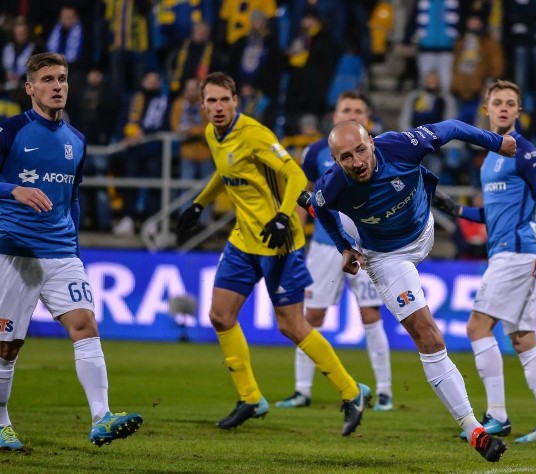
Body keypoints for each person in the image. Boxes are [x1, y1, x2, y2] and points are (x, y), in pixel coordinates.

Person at [301, 117, 517, 462]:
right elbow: (323, 209)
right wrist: (344, 246)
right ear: (335, 161)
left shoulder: (401, 145)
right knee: (428, 336)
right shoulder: (334, 185)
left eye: (360, 150)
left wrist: (496, 142)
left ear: (371, 142)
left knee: (319, 202)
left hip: (423, 229)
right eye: (346, 158)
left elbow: (452, 127)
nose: (357, 162)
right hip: (386, 257)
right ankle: (473, 428)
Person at [176, 72, 369, 435]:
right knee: (220, 316)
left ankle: (351, 390)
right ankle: (250, 398)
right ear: (202, 105)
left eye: (224, 100)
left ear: (236, 101)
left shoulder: (255, 135)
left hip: (279, 241)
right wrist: (199, 204)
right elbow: (224, 171)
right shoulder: (211, 134)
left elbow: (296, 175)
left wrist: (283, 216)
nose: (218, 108)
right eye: (211, 101)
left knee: (291, 325)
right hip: (243, 241)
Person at [0, 52, 143, 451]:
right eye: (47, 79)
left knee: (85, 325)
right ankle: (1, 423)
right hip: (14, 251)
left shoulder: (76, 141)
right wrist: (14, 189)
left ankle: (101, 417)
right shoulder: (9, 131)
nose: (57, 85)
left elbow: (73, 198)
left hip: (62, 252)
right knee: (7, 346)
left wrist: (75, 247)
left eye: (62, 78)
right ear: (30, 88)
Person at [431, 80, 536, 444]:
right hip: (506, 252)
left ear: (519, 112)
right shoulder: (490, 158)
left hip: (516, 253)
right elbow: (495, 214)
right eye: (497, 102)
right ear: (486, 109)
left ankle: (497, 416)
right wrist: (457, 210)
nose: (504, 108)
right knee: (523, 339)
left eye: (511, 103)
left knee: (477, 328)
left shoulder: (525, 153)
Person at [276, 90, 393, 412]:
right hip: (325, 248)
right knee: (311, 316)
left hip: (368, 247)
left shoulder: (380, 149)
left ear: (367, 119)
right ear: (334, 115)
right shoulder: (315, 152)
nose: (351, 114)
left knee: (371, 314)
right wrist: (293, 237)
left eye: (358, 110)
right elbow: (305, 198)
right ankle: (302, 390)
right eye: (346, 109)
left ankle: (384, 391)